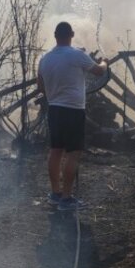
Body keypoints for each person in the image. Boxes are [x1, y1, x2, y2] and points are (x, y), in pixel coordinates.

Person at [37, 21, 107, 211]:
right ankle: (67, 199)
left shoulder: (44, 58)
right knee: (73, 153)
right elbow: (99, 71)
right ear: (71, 34)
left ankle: (55, 193)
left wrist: (54, 95)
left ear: (55, 36)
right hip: (73, 110)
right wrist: (104, 62)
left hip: (54, 110)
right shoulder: (76, 55)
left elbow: (40, 87)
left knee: (55, 150)